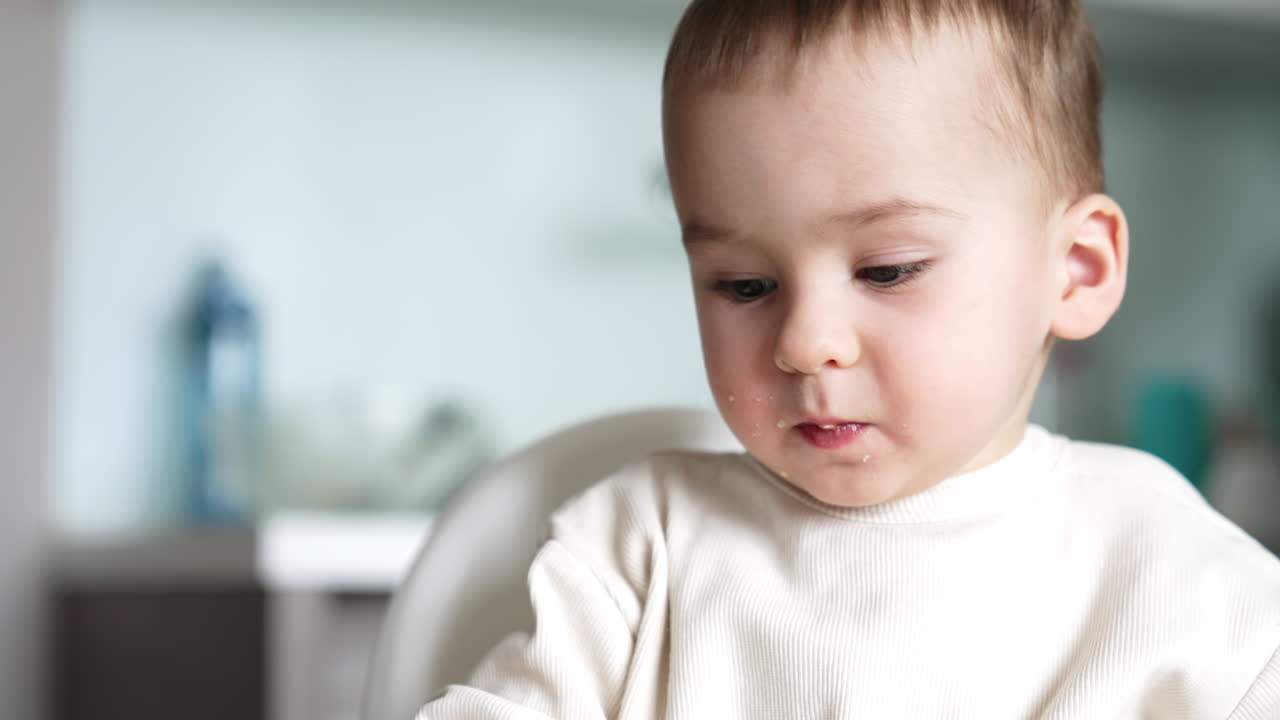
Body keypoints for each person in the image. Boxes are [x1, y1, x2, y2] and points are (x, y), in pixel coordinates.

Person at [420, 1, 1280, 717]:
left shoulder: (1190, 592)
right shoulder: (632, 554)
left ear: (1076, 271)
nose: (804, 341)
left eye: (887, 270)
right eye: (744, 284)